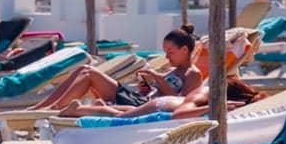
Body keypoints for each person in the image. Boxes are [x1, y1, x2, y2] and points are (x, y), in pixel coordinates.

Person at [46, 26, 204, 116]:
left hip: (139, 106)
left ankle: (53, 109)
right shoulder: (172, 70)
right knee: (84, 69)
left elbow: (183, 104)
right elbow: (153, 92)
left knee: (89, 73)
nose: (167, 57)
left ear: (184, 50)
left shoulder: (193, 74)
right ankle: (44, 106)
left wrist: (159, 79)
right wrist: (145, 84)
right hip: (137, 98)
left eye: (170, 52)